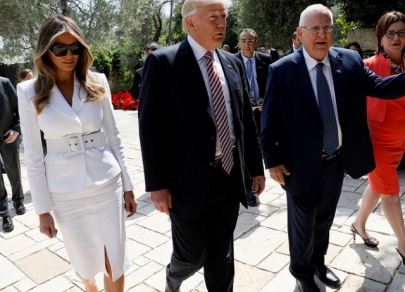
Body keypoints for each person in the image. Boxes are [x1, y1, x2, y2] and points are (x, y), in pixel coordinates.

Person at [260, 4, 405, 292]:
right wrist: (272, 160)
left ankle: (318, 263)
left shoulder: (349, 61)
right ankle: (302, 274)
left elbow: (382, 88)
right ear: (301, 34)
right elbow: (269, 121)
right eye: (315, 28)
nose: (322, 33)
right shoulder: (282, 70)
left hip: (336, 160)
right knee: (302, 225)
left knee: (324, 219)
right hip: (298, 166)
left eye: (327, 27)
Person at [138, 0, 265, 290]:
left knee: (222, 254)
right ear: (190, 23)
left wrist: (255, 168)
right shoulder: (163, 63)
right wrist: (157, 185)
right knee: (192, 255)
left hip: (229, 175)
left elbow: (244, 120)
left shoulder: (231, 62)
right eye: (213, 17)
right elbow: (150, 128)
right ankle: (174, 276)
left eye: (224, 17)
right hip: (187, 182)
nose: (222, 23)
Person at [17, 15, 137, 292]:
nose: (69, 55)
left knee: (113, 259)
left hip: (108, 183)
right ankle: (90, 286)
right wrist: (42, 211)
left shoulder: (98, 81)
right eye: (60, 49)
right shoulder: (28, 91)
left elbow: (115, 138)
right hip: (65, 193)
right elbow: (34, 157)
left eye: (76, 48)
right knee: (83, 261)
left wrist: (129, 186)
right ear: (46, 50)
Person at [351, 11, 405, 264]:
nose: (396, 38)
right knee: (391, 193)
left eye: (401, 32)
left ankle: (358, 224)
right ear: (380, 37)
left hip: (399, 140)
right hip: (377, 141)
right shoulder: (366, 67)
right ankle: (404, 245)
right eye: (390, 33)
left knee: (378, 184)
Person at [235, 28, 272, 206]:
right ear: (239, 43)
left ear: (256, 42)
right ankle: (250, 190)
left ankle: (259, 179)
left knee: (259, 149)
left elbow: (272, 85)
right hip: (243, 113)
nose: (246, 44)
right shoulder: (232, 61)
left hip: (262, 112)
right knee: (246, 149)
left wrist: (266, 97)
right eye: (243, 41)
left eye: (250, 41)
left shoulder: (265, 60)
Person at [0, 77, 25, 233]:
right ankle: (4, 212)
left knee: (13, 170)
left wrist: (16, 129)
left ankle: (18, 200)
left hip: (8, 137)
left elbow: (21, 109)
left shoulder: (4, 82)